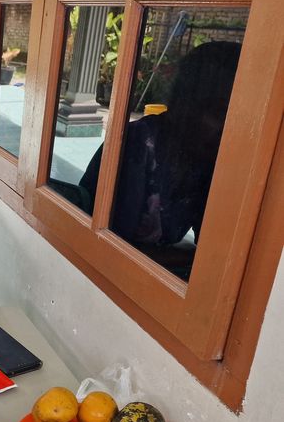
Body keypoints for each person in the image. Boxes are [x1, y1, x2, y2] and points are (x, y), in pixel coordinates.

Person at [78, 40, 241, 277]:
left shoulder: (204, 155)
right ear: (189, 104)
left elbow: (213, 245)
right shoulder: (137, 147)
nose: (227, 128)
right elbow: (114, 251)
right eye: (220, 113)